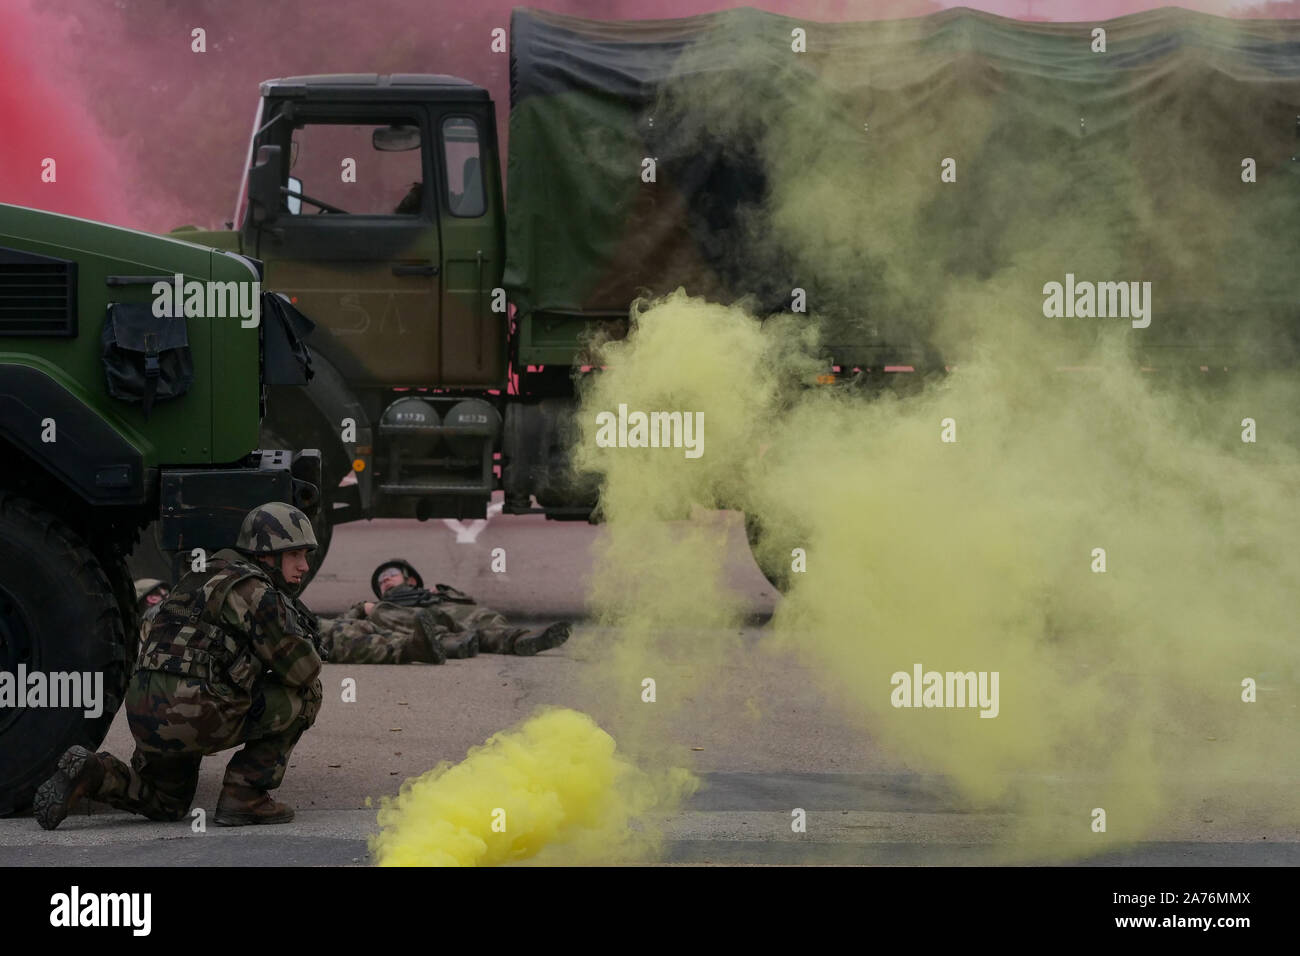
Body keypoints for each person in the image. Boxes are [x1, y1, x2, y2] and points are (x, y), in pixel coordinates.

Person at [34, 502, 325, 830]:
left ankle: (94, 773)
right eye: (295, 554)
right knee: (308, 694)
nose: (303, 565)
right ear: (266, 554)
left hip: (146, 710)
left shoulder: (197, 576)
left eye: (306, 555)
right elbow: (303, 671)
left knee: (166, 802)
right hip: (195, 711)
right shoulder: (255, 590)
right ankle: (245, 796)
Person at [316, 558, 570, 664]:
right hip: (413, 618)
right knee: (388, 614)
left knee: (483, 620)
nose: (384, 581)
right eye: (381, 581)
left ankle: (522, 640)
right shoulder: (380, 605)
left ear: (410, 580)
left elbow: (470, 605)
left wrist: (442, 593)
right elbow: (340, 624)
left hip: (437, 608)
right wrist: (365, 608)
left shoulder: (433, 593)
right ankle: (447, 643)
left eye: (390, 575)